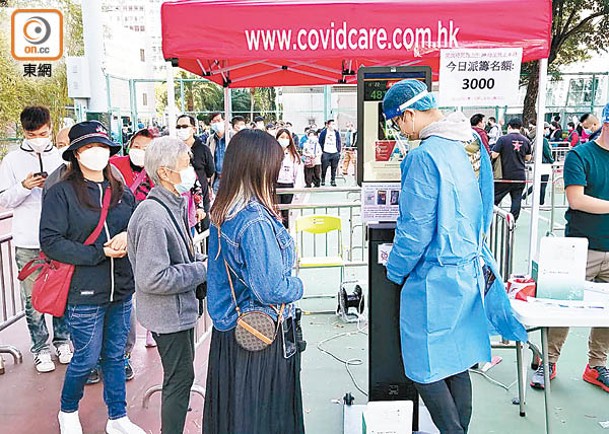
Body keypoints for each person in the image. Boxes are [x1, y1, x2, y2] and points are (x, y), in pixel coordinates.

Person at [382, 79, 525, 434]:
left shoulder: (422, 156)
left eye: (397, 123)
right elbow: (485, 201)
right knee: (456, 362)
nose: (401, 131)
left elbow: (414, 228)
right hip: (469, 271)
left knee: (424, 369)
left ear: (409, 115)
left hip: (434, 279)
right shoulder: (470, 141)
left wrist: (395, 270)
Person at [40, 121, 144, 434]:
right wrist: (100, 253)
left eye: (101, 146)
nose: (96, 153)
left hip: (121, 288)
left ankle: (118, 417)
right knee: (85, 358)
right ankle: (68, 410)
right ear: (75, 154)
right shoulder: (61, 193)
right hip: (84, 291)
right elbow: (51, 241)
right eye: (88, 147)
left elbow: (136, 224)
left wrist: (128, 235)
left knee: (114, 355)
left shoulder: (121, 190)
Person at [203, 129, 305, 434]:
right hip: (260, 333)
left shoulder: (223, 212)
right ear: (261, 166)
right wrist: (298, 286)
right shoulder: (254, 220)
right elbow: (270, 288)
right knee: (264, 416)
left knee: (237, 416)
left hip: (233, 330)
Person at [127, 137, 207, 434]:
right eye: (186, 165)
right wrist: (201, 269)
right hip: (167, 314)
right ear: (164, 172)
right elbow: (153, 277)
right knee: (180, 377)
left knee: (181, 375)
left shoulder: (170, 205)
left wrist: (197, 262)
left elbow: (177, 255)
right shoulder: (152, 216)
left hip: (177, 310)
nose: (192, 171)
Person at [531, 103, 609, 392]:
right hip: (580, 247)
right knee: (561, 307)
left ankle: (597, 365)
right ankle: (547, 361)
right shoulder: (580, 155)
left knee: (607, 314)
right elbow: (577, 199)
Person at [0, 106, 71, 373]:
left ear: (50, 128)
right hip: (28, 239)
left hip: (60, 237)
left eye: (42, 133)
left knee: (62, 292)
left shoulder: (62, 158)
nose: (38, 138)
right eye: (32, 134)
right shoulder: (12, 160)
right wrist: (23, 187)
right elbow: (3, 198)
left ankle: (62, 341)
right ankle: (40, 348)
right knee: (32, 299)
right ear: (24, 132)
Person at [110, 128, 157, 380]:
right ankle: (103, 358)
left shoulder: (159, 172)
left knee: (132, 298)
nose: (140, 152)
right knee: (120, 302)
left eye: (147, 148)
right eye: (137, 146)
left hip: (144, 240)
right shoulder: (114, 167)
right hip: (114, 244)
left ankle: (126, 354)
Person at [176, 114, 214, 231]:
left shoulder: (203, 149)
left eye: (185, 126)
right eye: (178, 127)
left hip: (201, 199)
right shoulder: (174, 150)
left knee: (204, 231)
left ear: (193, 129)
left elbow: (210, 171)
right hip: (181, 200)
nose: (181, 130)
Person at [491, 118, 532, 221]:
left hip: (504, 175)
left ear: (509, 126)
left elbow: (494, 154)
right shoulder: (526, 140)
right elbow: (528, 157)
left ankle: (489, 219)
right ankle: (513, 220)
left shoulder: (503, 139)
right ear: (520, 127)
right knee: (516, 199)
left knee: (494, 198)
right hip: (520, 175)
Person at [276, 128, 304, 228]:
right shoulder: (272, 154)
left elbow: (298, 174)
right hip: (275, 185)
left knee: (285, 212)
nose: (284, 139)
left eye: (287, 137)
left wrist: (297, 191)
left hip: (288, 185)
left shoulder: (293, 156)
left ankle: (285, 231)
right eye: (282, 137)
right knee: (275, 211)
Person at [522, 126, 554, 206]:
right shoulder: (543, 141)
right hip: (544, 164)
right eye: (546, 129)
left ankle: (523, 197)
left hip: (536, 163)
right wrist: (552, 161)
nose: (547, 130)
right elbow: (547, 153)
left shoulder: (536, 140)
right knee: (543, 184)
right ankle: (541, 203)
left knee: (536, 183)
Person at [206, 113, 227, 194]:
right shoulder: (210, 140)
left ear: (224, 121)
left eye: (218, 120)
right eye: (214, 122)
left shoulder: (233, 137)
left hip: (232, 179)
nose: (216, 123)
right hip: (217, 179)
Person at [319, 119, 342, 186]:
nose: (333, 126)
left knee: (334, 167)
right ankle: (323, 179)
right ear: (328, 125)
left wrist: (338, 150)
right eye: (332, 124)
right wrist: (322, 151)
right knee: (324, 167)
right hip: (326, 152)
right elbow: (320, 142)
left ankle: (333, 180)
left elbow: (339, 141)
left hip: (334, 152)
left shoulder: (336, 133)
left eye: (334, 124)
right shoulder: (323, 132)